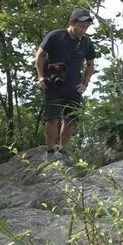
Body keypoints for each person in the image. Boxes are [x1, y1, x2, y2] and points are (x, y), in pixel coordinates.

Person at [35, 8, 97, 161]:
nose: (83, 30)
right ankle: (50, 152)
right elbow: (39, 56)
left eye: (86, 27)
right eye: (81, 26)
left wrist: (85, 84)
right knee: (52, 118)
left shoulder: (86, 42)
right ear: (71, 23)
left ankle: (63, 152)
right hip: (53, 84)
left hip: (73, 86)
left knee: (70, 119)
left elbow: (90, 64)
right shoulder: (56, 36)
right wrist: (41, 77)